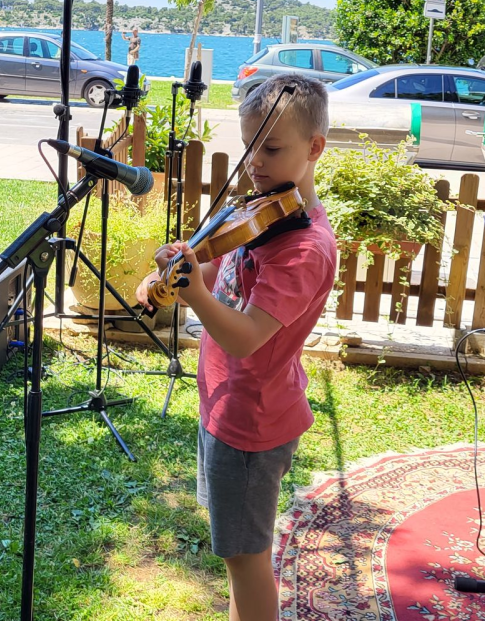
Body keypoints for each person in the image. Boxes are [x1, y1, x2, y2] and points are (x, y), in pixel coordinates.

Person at [136, 73, 337, 620]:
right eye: (250, 146)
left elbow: (246, 337)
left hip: (253, 420)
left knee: (247, 558)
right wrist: (174, 271)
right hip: (225, 405)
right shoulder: (260, 217)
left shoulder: (303, 248)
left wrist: (193, 292)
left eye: (272, 149)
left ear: (314, 148)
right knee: (238, 556)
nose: (256, 162)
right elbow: (214, 266)